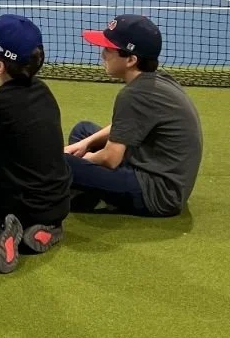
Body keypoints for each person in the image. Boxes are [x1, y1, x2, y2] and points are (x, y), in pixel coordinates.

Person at [0, 15, 70, 274]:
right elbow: (5, 134)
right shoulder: (42, 90)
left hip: (20, 204)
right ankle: (46, 229)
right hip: (57, 204)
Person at [66, 15, 202, 217]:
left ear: (131, 59)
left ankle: (69, 195)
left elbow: (111, 159)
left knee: (64, 163)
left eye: (109, 50)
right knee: (83, 131)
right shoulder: (157, 79)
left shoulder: (134, 94)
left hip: (158, 194)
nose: (103, 55)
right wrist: (87, 142)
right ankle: (86, 191)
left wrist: (84, 160)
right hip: (163, 175)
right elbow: (125, 125)